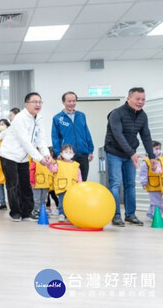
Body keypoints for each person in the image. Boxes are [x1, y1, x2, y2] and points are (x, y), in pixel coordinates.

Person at [105, 87, 157, 227]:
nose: (140, 102)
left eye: (143, 99)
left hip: (130, 153)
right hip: (114, 152)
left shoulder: (142, 115)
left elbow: (146, 136)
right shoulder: (116, 114)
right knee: (115, 183)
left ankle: (130, 215)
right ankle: (115, 215)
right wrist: (132, 153)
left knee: (130, 184)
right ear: (129, 99)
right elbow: (118, 136)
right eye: (137, 99)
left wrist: (152, 156)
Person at [0, 92, 53, 222]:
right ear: (26, 104)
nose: (38, 104)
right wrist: (39, 159)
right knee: (13, 185)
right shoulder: (20, 118)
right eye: (34, 102)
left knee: (26, 184)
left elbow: (40, 139)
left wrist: (46, 155)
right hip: (9, 155)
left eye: (40, 102)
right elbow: (25, 142)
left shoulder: (38, 118)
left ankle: (27, 212)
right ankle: (16, 213)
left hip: (23, 157)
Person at [51, 91, 94, 181]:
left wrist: (90, 150)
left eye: (74, 101)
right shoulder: (58, 118)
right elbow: (55, 137)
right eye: (69, 101)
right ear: (63, 102)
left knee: (83, 181)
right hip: (67, 155)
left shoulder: (81, 115)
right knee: (69, 180)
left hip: (83, 153)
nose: (72, 103)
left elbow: (86, 133)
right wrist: (58, 153)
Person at [47, 144, 82, 222]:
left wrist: (80, 185)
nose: (68, 153)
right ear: (61, 153)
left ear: (73, 154)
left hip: (73, 187)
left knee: (72, 202)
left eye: (70, 152)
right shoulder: (58, 163)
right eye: (66, 151)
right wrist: (49, 164)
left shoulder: (76, 165)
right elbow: (53, 170)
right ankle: (61, 214)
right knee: (62, 202)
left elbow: (79, 176)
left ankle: (70, 215)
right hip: (62, 186)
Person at [140, 141, 163, 222]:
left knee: (159, 201)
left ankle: (151, 213)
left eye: (160, 148)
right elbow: (143, 173)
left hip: (161, 185)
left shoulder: (161, 160)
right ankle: (156, 216)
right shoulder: (146, 161)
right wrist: (144, 183)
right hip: (153, 185)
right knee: (156, 201)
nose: (159, 150)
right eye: (156, 148)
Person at [29, 151, 53, 220]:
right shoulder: (35, 162)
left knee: (44, 199)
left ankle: (42, 211)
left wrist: (50, 184)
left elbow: (51, 174)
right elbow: (31, 172)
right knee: (37, 199)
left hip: (45, 185)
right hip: (37, 185)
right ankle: (36, 211)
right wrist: (32, 182)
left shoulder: (49, 163)